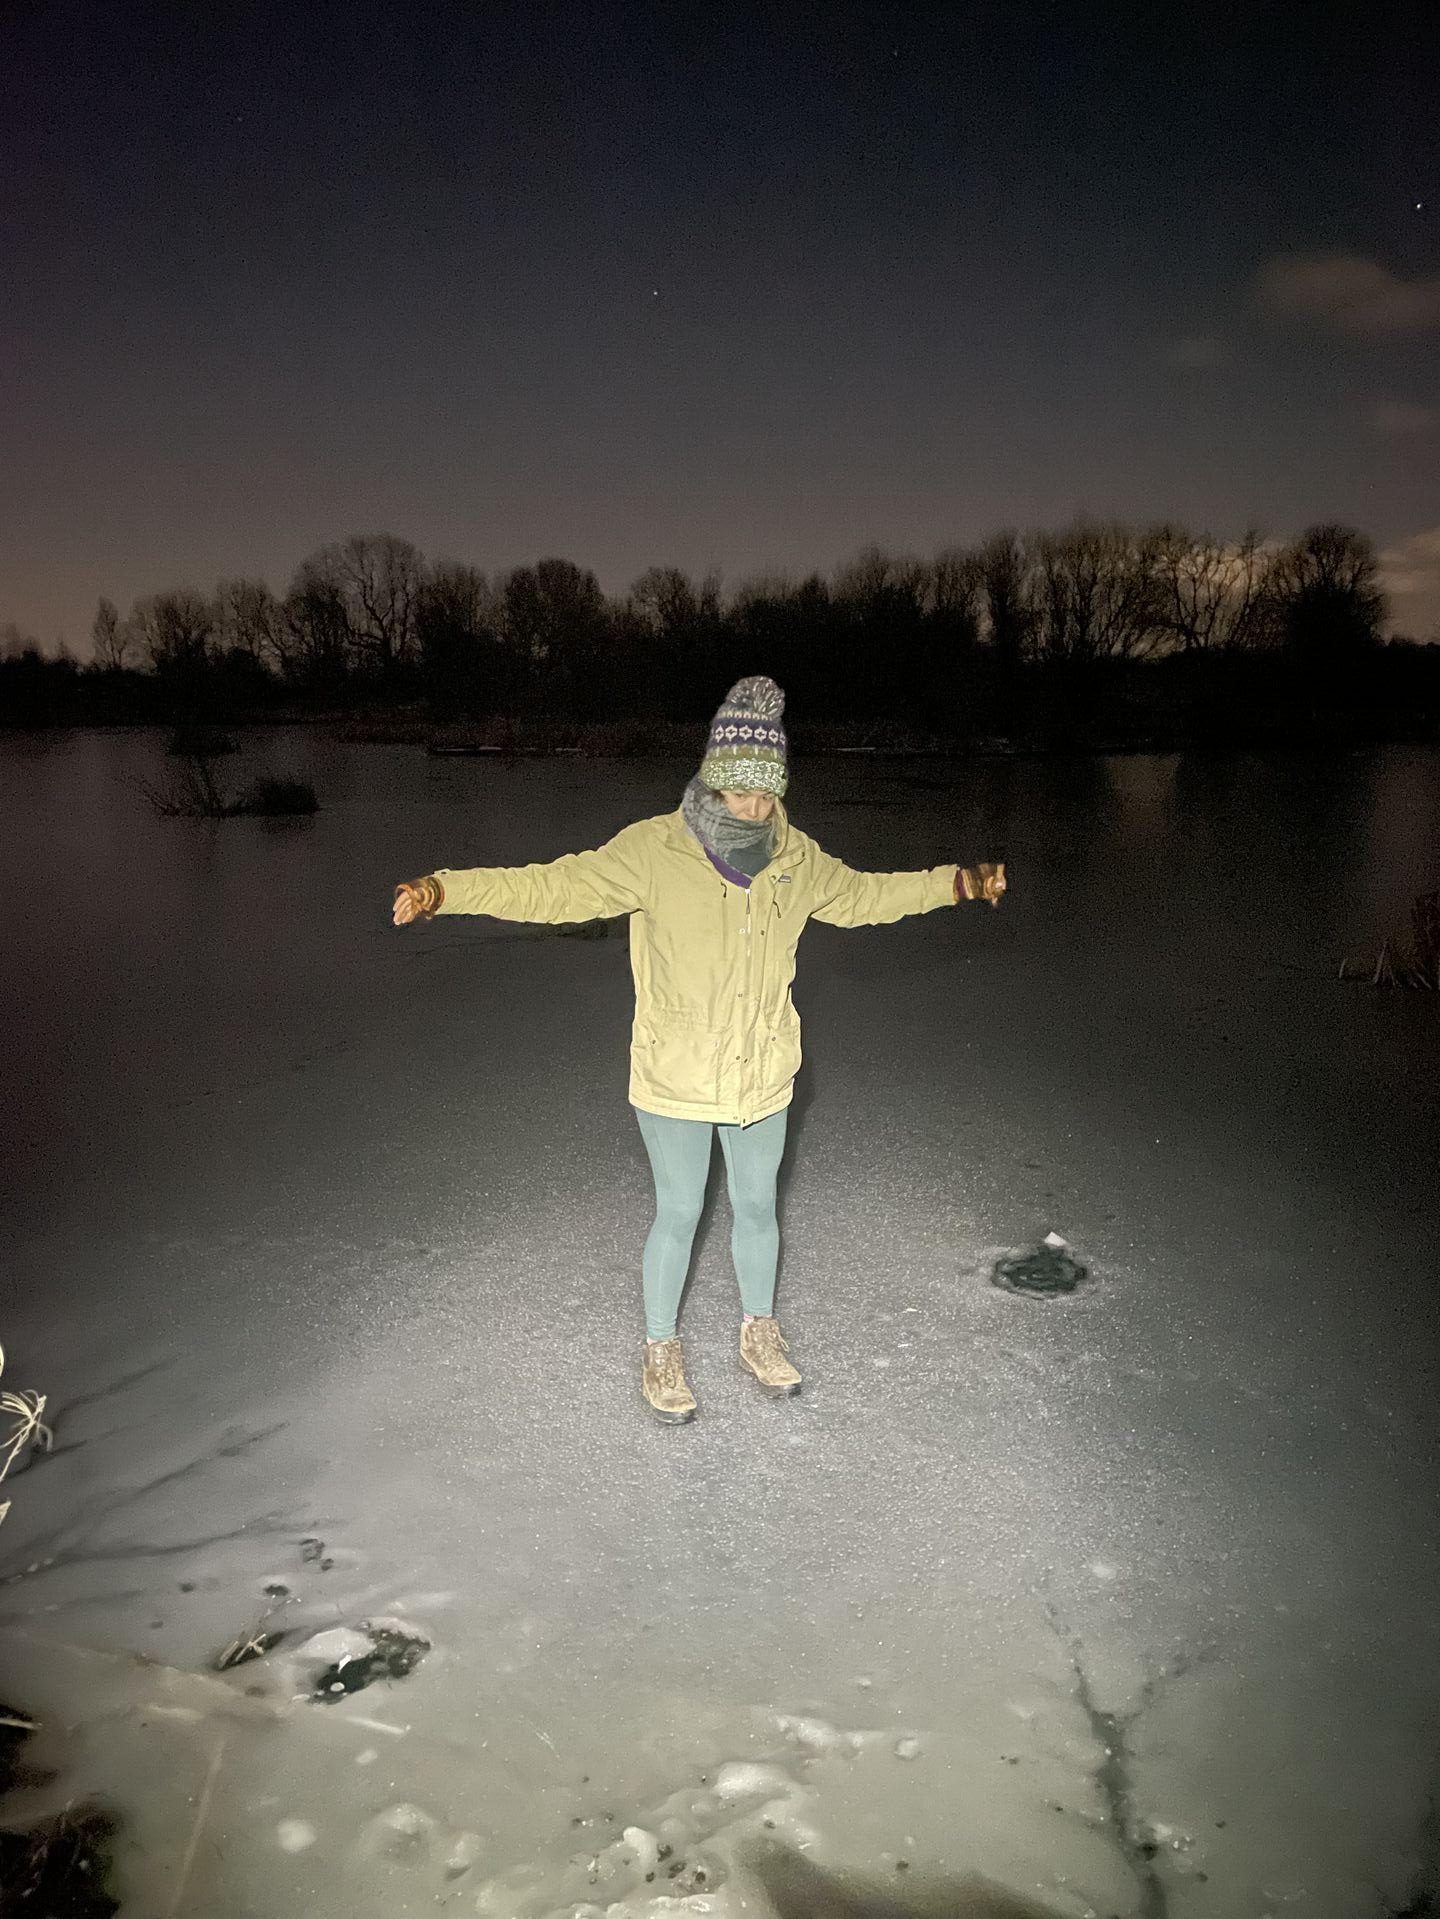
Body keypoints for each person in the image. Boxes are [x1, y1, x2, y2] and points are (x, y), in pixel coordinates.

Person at [393, 676, 1005, 1425]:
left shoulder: (796, 858)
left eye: (763, 791)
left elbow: (866, 896)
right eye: (736, 789)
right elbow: (554, 887)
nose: (750, 806)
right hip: (676, 1074)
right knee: (680, 1210)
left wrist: (956, 883)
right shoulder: (653, 850)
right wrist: (443, 888)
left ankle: (758, 1329)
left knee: (756, 1206)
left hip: (760, 1072)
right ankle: (661, 1345)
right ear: (713, 776)